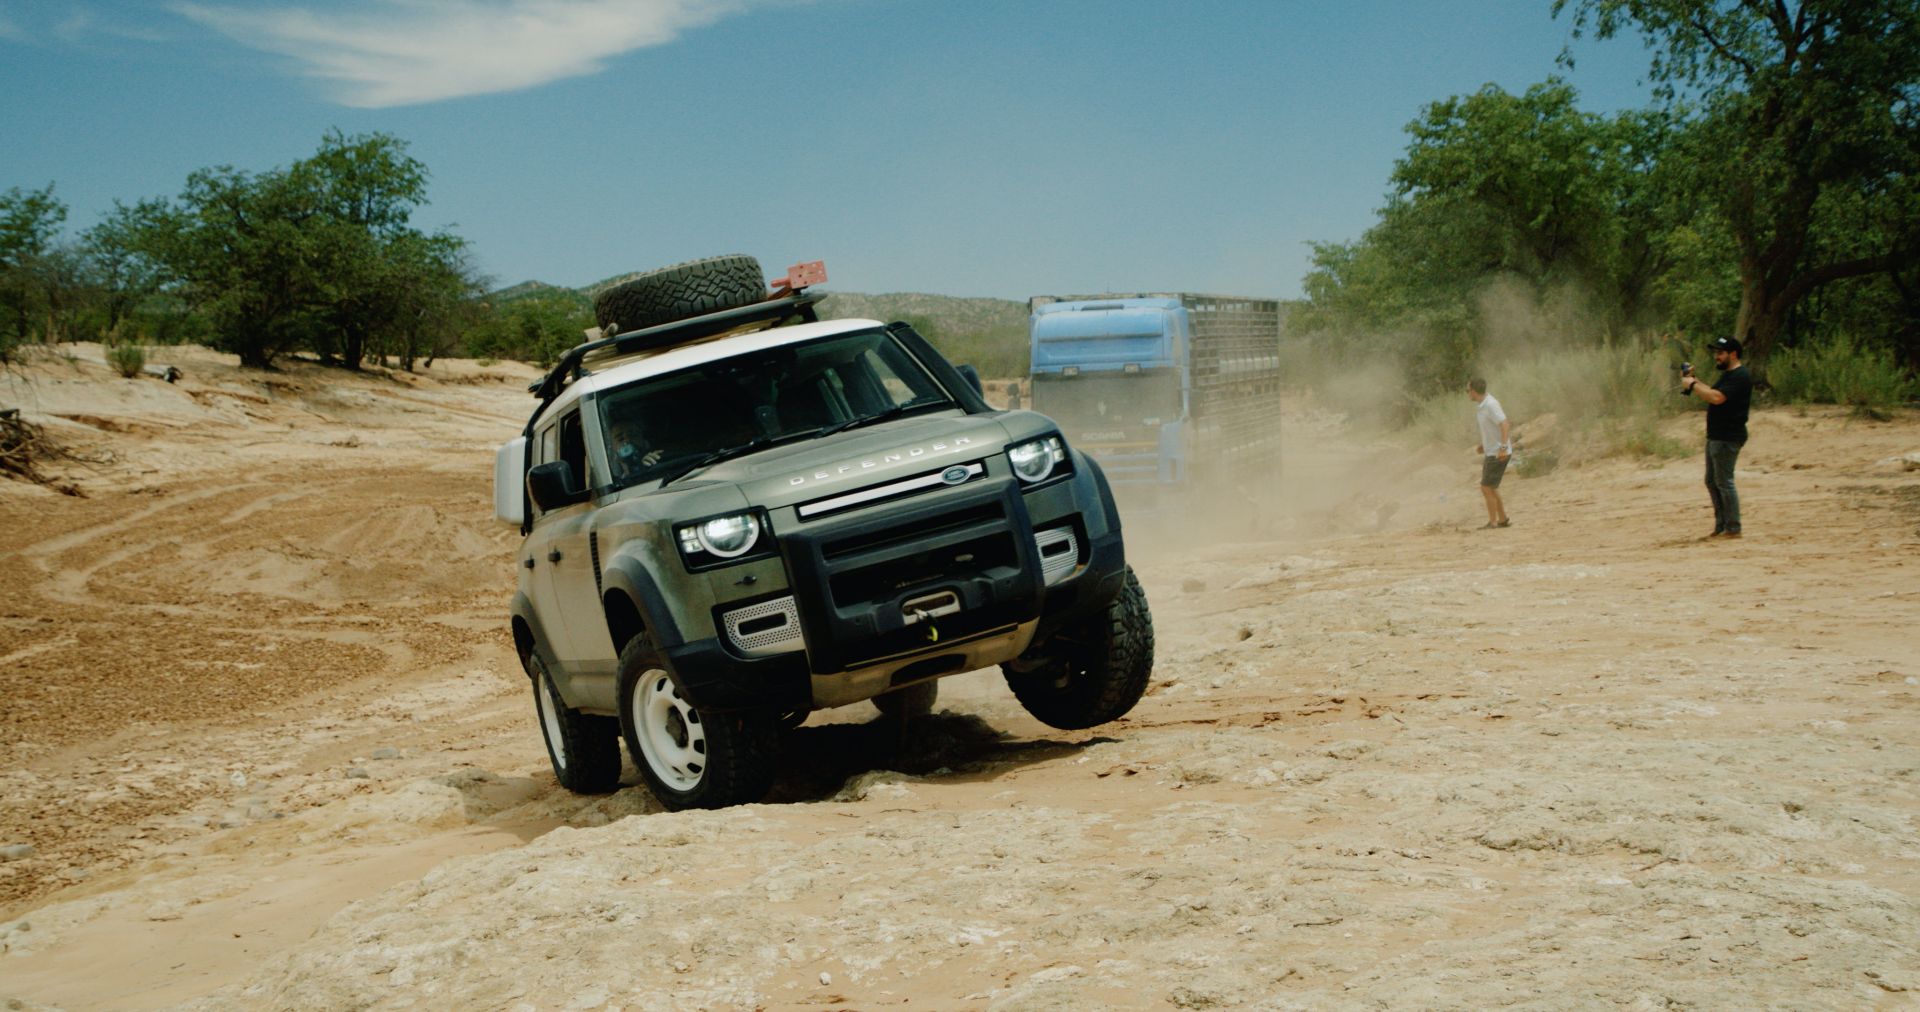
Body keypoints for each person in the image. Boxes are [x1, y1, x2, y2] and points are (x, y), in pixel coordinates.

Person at [1682, 334, 1752, 539]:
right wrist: (1694, 381)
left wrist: (1693, 385)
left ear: (1733, 353)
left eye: (1720, 353)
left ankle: (1733, 527)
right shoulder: (1729, 375)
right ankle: (1722, 525)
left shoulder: (1740, 376)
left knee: (1724, 482)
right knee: (1712, 481)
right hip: (1717, 436)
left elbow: (1717, 397)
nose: (1717, 357)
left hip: (1727, 436)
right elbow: (1713, 392)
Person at [1467, 377, 1511, 529]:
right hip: (1492, 451)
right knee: (1491, 487)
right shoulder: (1483, 405)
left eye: (1468, 391)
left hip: (1498, 452)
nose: (1468, 394)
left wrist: (1503, 448)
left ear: (1474, 391)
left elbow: (1504, 424)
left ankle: (1493, 522)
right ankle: (1502, 519)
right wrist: (1483, 445)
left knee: (1486, 487)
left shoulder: (1490, 404)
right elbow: (1492, 428)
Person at [607, 417, 662, 482]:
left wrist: (653, 467)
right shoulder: (616, 486)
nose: (627, 440)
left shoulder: (660, 464)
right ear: (612, 451)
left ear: (645, 442)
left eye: (633, 435)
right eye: (620, 439)